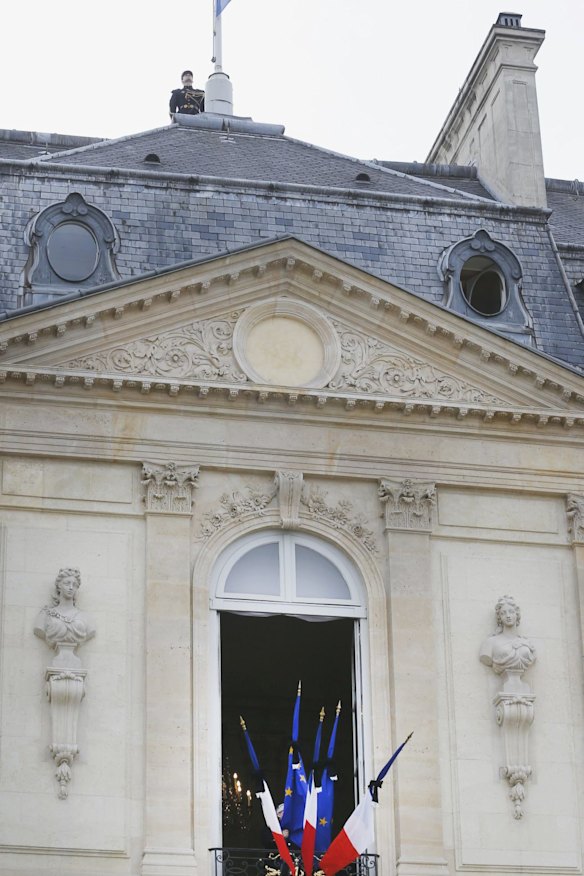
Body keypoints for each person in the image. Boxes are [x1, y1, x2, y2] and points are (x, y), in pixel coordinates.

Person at [34, 567, 96, 656]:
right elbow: (38, 629)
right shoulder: (45, 614)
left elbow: (91, 631)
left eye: (74, 585)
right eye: (67, 583)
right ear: (59, 586)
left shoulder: (85, 617)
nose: (71, 588)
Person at [479, 595, 536, 675]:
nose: (508, 616)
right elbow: (485, 657)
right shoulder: (491, 642)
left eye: (511, 612)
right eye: (503, 613)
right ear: (499, 618)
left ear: (517, 615)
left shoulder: (526, 643)